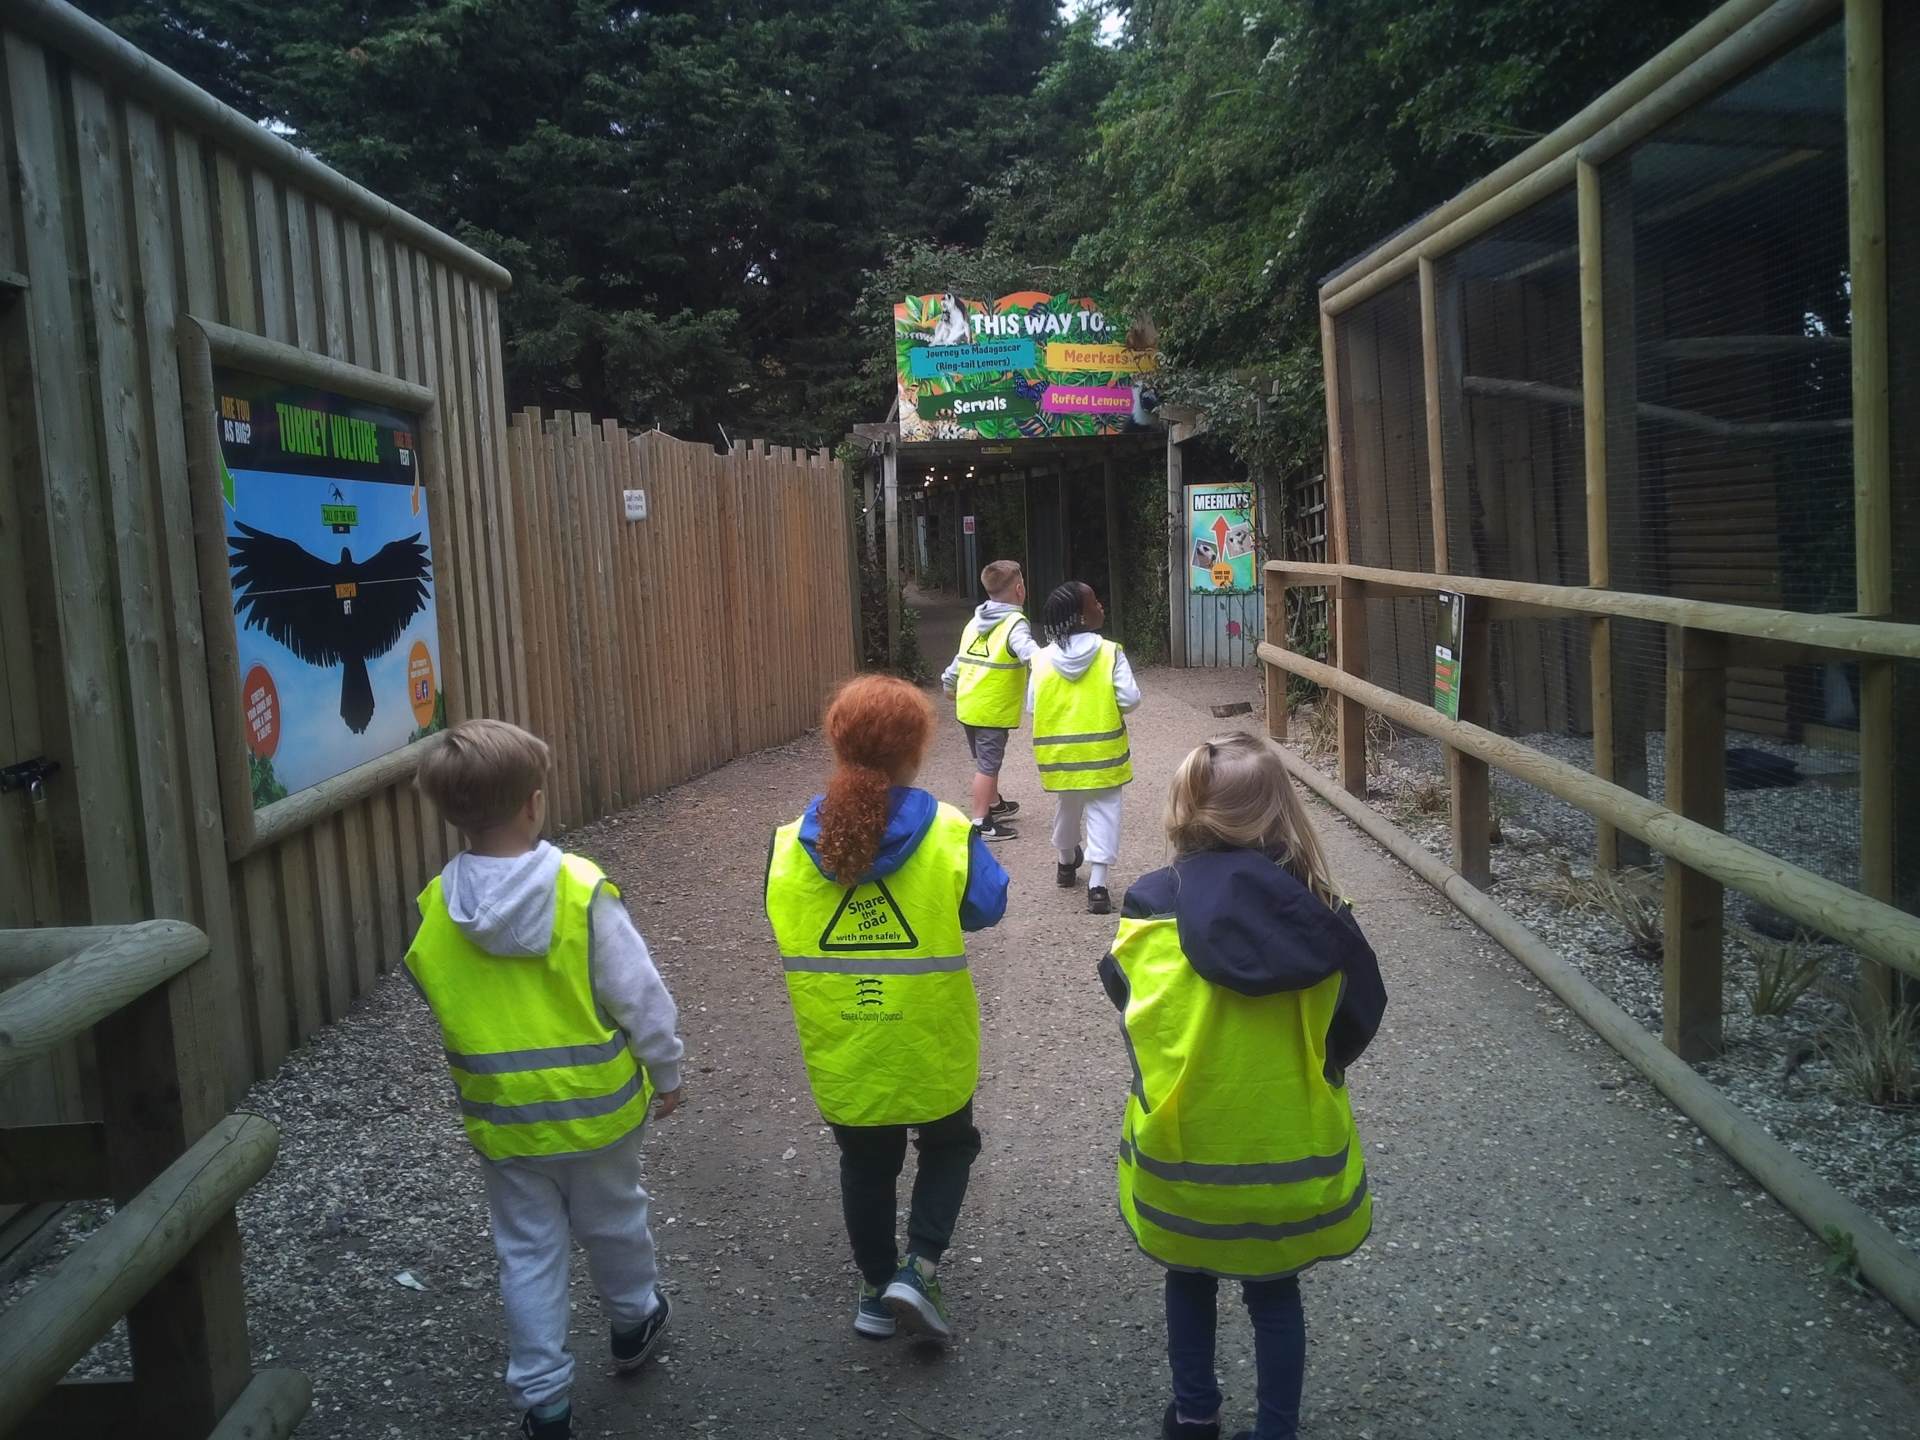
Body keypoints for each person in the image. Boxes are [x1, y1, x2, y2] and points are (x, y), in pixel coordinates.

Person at [1099, 733, 1386, 1440]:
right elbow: (1358, 1017)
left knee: (1188, 1278)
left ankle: (1195, 1413)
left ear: (1185, 806)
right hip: (1290, 1163)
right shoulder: (1324, 913)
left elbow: (1124, 994)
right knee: (1275, 1296)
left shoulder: (1149, 905)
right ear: (1279, 810)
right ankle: (1276, 1429)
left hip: (1183, 1160)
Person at [406, 720, 685, 1440]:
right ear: (534, 803)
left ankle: (543, 1399)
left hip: (504, 1120)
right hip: (598, 1115)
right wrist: (667, 1070)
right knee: (614, 1220)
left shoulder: (438, 907)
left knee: (527, 1251)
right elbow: (641, 997)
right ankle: (633, 1322)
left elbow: (436, 989)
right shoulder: (578, 890)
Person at [764, 675, 1009, 1342]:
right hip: (930, 1040)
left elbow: (782, 915)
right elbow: (987, 907)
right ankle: (919, 1269)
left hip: (845, 1045)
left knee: (866, 1164)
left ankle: (875, 1288)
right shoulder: (948, 830)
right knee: (950, 1144)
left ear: (836, 744)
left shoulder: (788, 843)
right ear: (917, 749)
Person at [1030, 580, 1140, 914]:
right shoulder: (1110, 653)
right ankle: (1098, 886)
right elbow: (1130, 700)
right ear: (1080, 616)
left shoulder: (1041, 659)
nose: (1100, 605)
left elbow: (1033, 707)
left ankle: (1066, 862)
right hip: (1103, 755)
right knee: (1104, 811)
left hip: (1060, 755)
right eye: (1094, 602)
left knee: (1068, 806)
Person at [940, 558, 1036, 841]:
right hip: (991, 710)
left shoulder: (975, 622)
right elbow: (1027, 651)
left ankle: (994, 804)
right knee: (988, 766)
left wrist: (948, 682)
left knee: (986, 760)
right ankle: (981, 821)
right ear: (1019, 590)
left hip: (968, 704)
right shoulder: (1015, 624)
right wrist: (1048, 662)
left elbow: (960, 658)